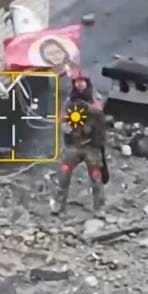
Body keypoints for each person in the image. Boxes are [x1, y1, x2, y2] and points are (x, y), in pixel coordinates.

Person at [52, 72, 109, 214]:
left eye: (82, 81)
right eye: (77, 82)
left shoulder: (95, 98)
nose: (80, 84)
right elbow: (61, 120)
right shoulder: (69, 101)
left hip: (91, 145)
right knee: (64, 172)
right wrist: (67, 123)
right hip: (75, 145)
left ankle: (99, 207)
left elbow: (100, 113)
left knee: (96, 175)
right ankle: (59, 205)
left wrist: (86, 108)